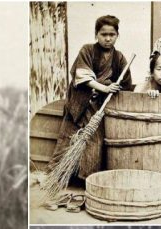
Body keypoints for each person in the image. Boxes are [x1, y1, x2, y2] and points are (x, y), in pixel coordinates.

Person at [46, 15, 133, 182]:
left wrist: (115, 88)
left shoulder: (119, 58)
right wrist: (105, 87)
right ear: (96, 34)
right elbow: (82, 76)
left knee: (95, 143)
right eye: (103, 34)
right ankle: (55, 177)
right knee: (67, 138)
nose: (108, 38)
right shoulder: (87, 50)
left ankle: (85, 180)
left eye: (112, 34)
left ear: (117, 35)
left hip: (100, 109)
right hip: (80, 104)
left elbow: (126, 85)